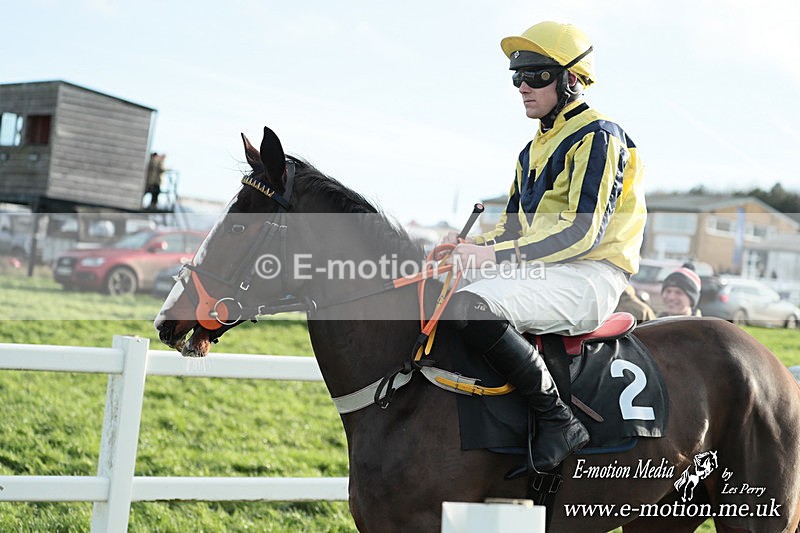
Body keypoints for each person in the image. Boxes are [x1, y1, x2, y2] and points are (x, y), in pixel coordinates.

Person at [441, 21, 647, 474]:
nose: (523, 87)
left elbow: (582, 233)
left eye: (536, 75)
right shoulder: (529, 150)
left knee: (470, 307)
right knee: (439, 295)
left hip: (591, 275)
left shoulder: (599, 134)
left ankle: (558, 419)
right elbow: (513, 231)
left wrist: (492, 257)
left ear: (571, 79)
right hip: (544, 271)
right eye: (517, 77)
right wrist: (469, 246)